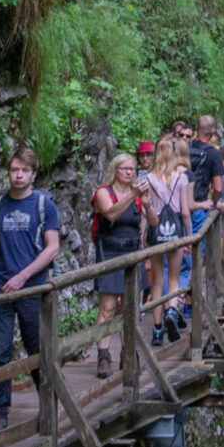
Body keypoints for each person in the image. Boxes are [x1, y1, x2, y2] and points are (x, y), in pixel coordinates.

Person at [0, 147, 60, 433]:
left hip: (32, 289)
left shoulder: (43, 205)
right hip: (1, 288)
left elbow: (52, 248)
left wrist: (23, 277)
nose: (19, 175)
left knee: (36, 348)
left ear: (34, 174)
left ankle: (48, 405)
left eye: (24, 170)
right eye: (14, 170)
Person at [90, 150, 147, 378]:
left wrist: (148, 204)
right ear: (115, 170)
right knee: (108, 306)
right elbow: (111, 214)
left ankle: (128, 351)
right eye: (124, 169)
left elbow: (148, 221)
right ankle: (103, 355)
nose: (129, 172)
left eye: (132, 169)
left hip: (132, 251)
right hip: (110, 251)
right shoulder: (103, 192)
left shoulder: (137, 195)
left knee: (129, 306)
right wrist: (133, 194)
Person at [141, 136, 192, 342]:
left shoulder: (148, 179)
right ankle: (171, 311)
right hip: (175, 231)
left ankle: (156, 331)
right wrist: (188, 237)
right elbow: (185, 211)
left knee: (156, 281)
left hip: (156, 231)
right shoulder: (181, 178)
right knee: (173, 278)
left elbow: (146, 211)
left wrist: (143, 235)